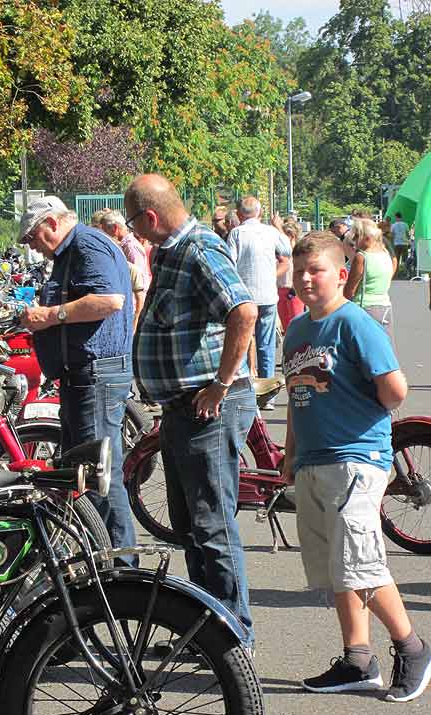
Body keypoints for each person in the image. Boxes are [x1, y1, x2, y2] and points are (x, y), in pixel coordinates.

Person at [282, 230, 431, 701]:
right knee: (337, 567)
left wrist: (362, 417)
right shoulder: (297, 330)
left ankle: (412, 647)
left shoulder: (354, 323)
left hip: (356, 458)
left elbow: (395, 389)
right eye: (300, 271)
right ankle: (357, 660)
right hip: (313, 461)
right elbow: (296, 396)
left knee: (360, 563)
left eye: (317, 270)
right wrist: (290, 453)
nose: (306, 279)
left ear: (342, 275)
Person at [124, 173, 258, 651]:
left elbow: (244, 311)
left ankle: (233, 641)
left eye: (134, 223)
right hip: (184, 409)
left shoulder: (198, 249)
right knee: (192, 528)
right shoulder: (173, 250)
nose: (135, 232)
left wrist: (220, 385)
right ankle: (206, 633)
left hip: (208, 409)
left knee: (211, 525)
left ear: (151, 216)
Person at [17, 196, 137, 565]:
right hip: (83, 375)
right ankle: (100, 557)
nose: (33, 246)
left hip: (96, 374)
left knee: (99, 473)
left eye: (33, 237)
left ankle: (119, 566)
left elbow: (110, 300)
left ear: (52, 223)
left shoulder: (87, 245)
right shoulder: (74, 249)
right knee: (82, 471)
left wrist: (50, 315)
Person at [227, 196, 291, 378]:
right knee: (266, 344)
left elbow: (230, 262)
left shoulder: (236, 233)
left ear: (239, 214)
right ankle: (267, 384)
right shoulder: (270, 232)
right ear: (260, 212)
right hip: (268, 295)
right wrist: (278, 227)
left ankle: (245, 382)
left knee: (243, 340)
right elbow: (287, 251)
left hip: (244, 297)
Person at [343, 217, 396, 338]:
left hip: (364, 307)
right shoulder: (385, 254)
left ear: (366, 237)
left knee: (361, 345)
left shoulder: (362, 257)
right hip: (385, 306)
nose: (354, 240)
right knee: (384, 344)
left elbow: (350, 290)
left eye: (356, 236)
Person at [100, 209, 151, 290]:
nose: (103, 234)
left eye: (105, 230)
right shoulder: (124, 245)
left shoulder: (130, 247)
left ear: (115, 228)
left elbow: (138, 279)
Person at [277, 219, 304, 332]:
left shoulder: (298, 251)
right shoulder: (281, 252)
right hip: (280, 289)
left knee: (296, 323)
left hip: (293, 291)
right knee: (285, 325)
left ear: (292, 236)